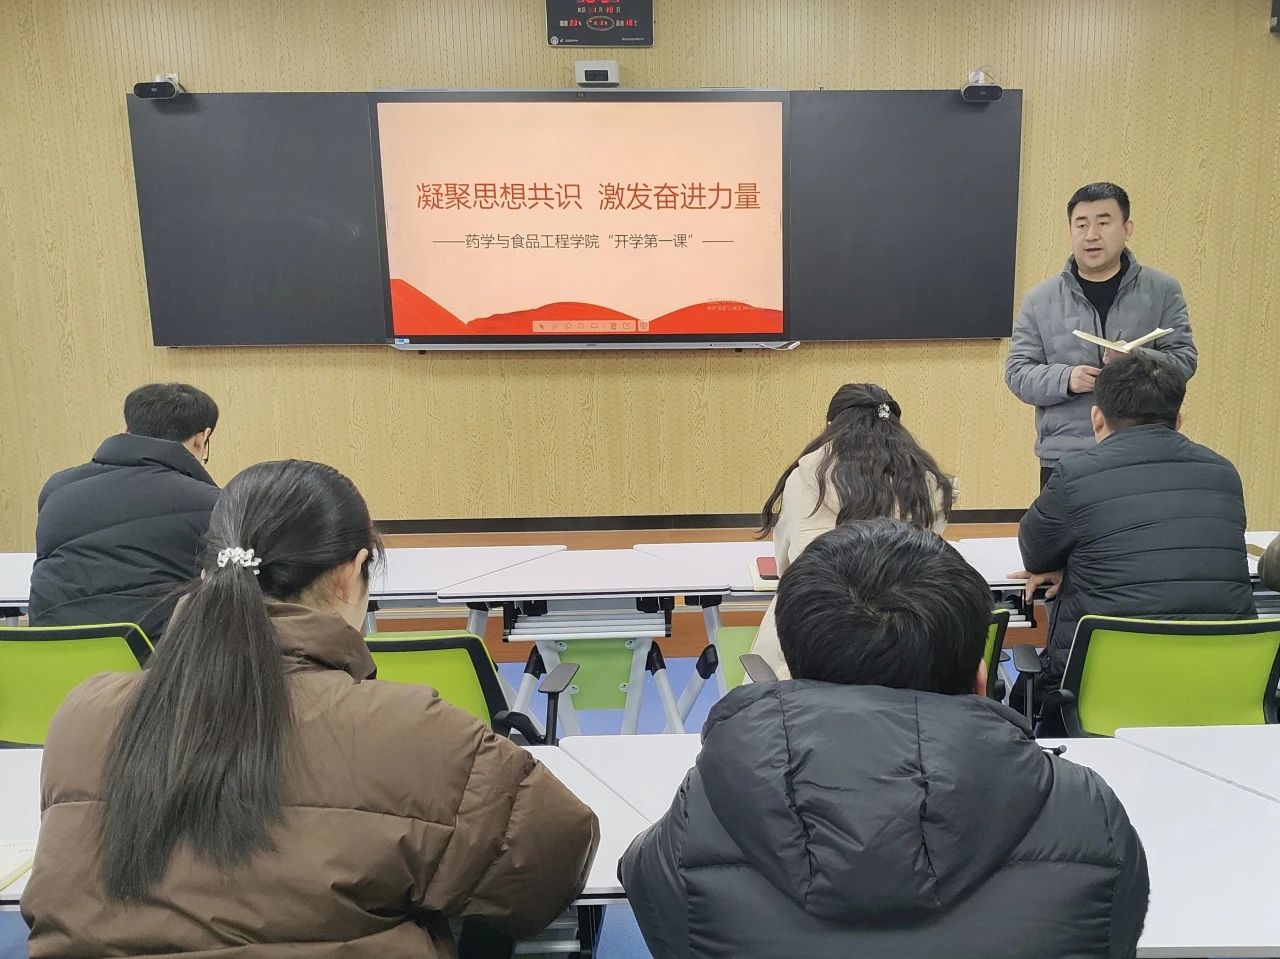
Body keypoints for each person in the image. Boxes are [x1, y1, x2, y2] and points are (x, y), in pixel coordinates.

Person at [22, 460, 599, 958]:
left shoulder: (83, 718)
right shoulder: (413, 732)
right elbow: (554, 860)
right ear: (350, 574)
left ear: (207, 572)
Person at [621, 519, 1150, 958]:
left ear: (791, 675)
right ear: (980, 681)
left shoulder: (703, 813)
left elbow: (650, 893)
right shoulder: (1089, 815)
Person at [1015, 352, 1255, 723]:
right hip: (1223, 697)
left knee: (1020, 697)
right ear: (1178, 420)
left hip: (1098, 703)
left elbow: (1035, 555)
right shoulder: (1225, 473)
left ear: (1097, 419)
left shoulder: (1074, 475)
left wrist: (1070, 565)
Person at [749, 383, 952, 678]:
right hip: (909, 641)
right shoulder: (929, 484)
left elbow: (788, 569)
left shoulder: (806, 478)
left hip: (814, 633)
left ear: (831, 425)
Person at [1005, 182, 1197, 488]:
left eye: (1103, 223)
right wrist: (1067, 379)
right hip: (1066, 455)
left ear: (1127, 228)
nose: (1091, 235)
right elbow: (1017, 373)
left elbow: (1184, 360)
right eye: (1081, 225)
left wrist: (1135, 359)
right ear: (1071, 231)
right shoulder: (1039, 300)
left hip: (1145, 450)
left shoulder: (1162, 290)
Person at [28, 382, 221, 640]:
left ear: (127, 430)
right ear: (201, 439)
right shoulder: (212, 503)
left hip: (46, 650)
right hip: (148, 656)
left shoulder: (56, 488)